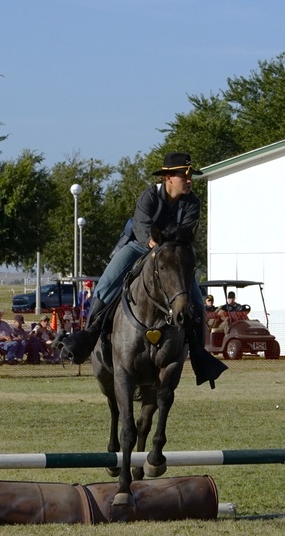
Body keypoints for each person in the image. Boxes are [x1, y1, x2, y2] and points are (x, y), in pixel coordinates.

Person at [59, 151, 226, 387]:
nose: (189, 180)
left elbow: (186, 234)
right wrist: (153, 242)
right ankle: (88, 337)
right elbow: (142, 228)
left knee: (197, 302)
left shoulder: (192, 203)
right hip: (138, 247)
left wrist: (167, 247)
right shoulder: (148, 196)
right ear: (168, 178)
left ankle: (200, 355)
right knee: (106, 285)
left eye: (190, 176)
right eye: (184, 175)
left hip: (171, 255)